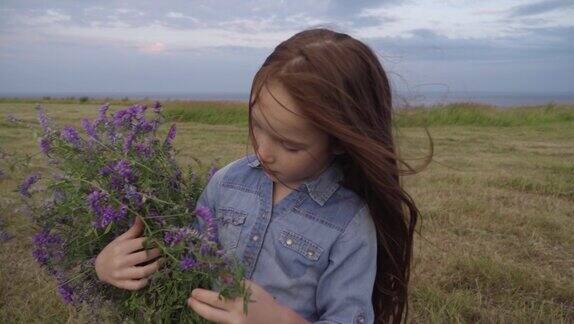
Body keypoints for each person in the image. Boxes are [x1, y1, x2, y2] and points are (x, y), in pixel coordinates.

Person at [95, 27, 431, 324]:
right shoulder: (226, 183)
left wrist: (279, 319)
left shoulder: (349, 225)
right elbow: (185, 262)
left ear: (341, 142)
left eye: (289, 144)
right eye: (257, 126)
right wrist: (111, 266)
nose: (263, 151)